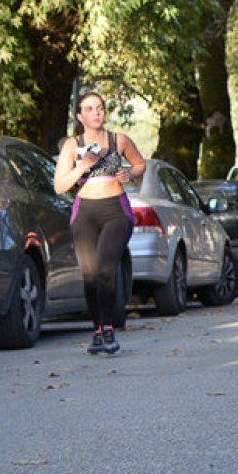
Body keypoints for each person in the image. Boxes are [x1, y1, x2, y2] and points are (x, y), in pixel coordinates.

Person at [54, 91, 147, 355]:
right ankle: (97, 331)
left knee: (106, 269)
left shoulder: (118, 140)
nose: (96, 113)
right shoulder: (72, 145)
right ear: (80, 116)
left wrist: (130, 173)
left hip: (115, 209)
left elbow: (141, 165)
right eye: (90, 109)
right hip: (85, 212)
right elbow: (60, 186)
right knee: (90, 274)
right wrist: (82, 165)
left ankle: (108, 329)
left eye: (100, 108)